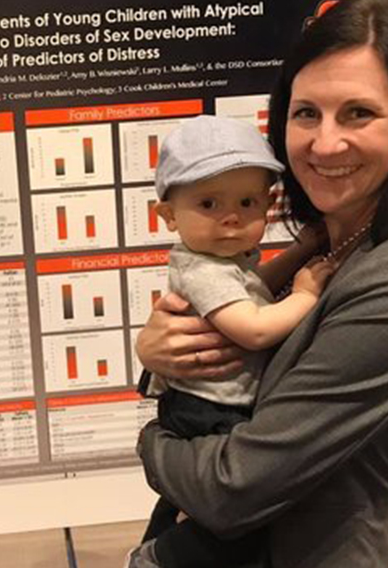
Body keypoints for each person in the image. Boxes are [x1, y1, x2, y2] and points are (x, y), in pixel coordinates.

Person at [133, 0, 388, 568]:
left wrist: (153, 443)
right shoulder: (336, 240)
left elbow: (232, 487)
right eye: (306, 113)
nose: (324, 143)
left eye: (360, 112)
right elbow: (233, 333)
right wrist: (156, 353)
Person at [130, 115, 333, 568]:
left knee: (185, 504)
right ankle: (161, 558)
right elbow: (254, 327)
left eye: (247, 202)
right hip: (212, 409)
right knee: (230, 516)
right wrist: (304, 295)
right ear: (167, 215)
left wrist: (300, 250)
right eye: (208, 203)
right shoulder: (205, 270)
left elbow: (253, 288)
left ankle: (158, 545)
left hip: (201, 404)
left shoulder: (217, 261)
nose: (231, 217)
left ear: (268, 202)